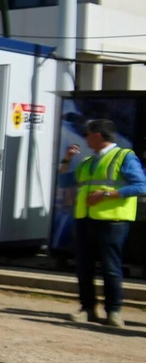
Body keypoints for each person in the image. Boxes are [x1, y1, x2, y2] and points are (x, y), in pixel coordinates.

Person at [66, 119, 145, 326]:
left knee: (111, 268)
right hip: (84, 219)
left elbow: (141, 186)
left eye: (87, 134)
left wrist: (107, 194)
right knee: (84, 267)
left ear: (98, 136)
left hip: (112, 221)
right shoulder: (88, 161)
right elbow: (70, 182)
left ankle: (113, 312)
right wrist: (67, 163)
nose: (85, 139)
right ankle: (87, 309)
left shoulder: (124, 156)